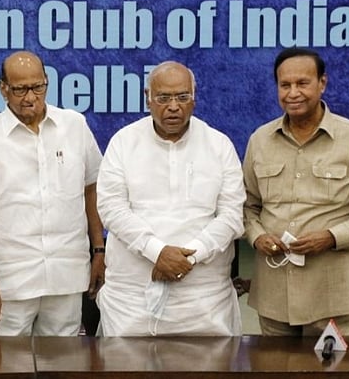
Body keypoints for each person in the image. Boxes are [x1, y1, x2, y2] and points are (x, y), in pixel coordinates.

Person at [243, 48, 349, 336]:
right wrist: (257, 236)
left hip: (331, 296)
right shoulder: (260, 140)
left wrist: (331, 238)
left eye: (302, 83)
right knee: (273, 372)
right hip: (274, 297)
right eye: (285, 85)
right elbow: (248, 206)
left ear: (322, 83)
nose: (293, 93)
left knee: (333, 372)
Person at [0, 51, 104, 337]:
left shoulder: (74, 126)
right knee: (5, 364)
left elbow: (91, 189)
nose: (30, 97)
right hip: (11, 278)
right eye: (20, 89)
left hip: (66, 270)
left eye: (38, 87)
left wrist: (99, 249)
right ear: (3, 88)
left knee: (63, 363)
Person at [96, 61, 244, 336]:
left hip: (204, 300)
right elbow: (111, 208)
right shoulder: (124, 142)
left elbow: (232, 215)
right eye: (163, 98)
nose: (173, 106)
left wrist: (188, 257)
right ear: (148, 99)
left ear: (194, 99)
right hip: (132, 300)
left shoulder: (218, 144)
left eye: (182, 97)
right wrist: (157, 252)